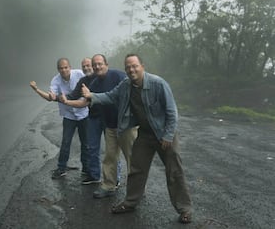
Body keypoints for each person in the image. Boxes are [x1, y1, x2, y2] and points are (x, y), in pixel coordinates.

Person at [81, 53, 193, 224]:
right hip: (145, 134)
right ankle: (130, 202)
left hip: (164, 134)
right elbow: (110, 96)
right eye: (128, 67)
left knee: (174, 172)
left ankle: (185, 210)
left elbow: (172, 112)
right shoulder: (126, 85)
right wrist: (92, 96)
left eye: (134, 66)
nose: (131, 69)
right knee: (136, 169)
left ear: (142, 66)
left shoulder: (158, 83)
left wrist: (168, 135)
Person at [61, 54, 137, 198]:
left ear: (106, 64)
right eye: (95, 65)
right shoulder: (94, 84)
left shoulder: (118, 76)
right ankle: (109, 185)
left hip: (126, 125)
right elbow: (85, 102)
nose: (97, 67)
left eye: (99, 64)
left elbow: (133, 91)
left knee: (132, 158)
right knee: (110, 157)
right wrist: (67, 102)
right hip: (110, 126)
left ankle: (136, 189)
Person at [30, 58, 89, 180]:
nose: (64, 70)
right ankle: (61, 168)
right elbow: (50, 96)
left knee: (86, 143)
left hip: (83, 113)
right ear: (58, 69)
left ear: (70, 67)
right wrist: (37, 90)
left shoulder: (79, 74)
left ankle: (87, 169)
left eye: (66, 67)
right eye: (61, 68)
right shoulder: (56, 80)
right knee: (66, 142)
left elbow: (90, 85)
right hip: (68, 115)